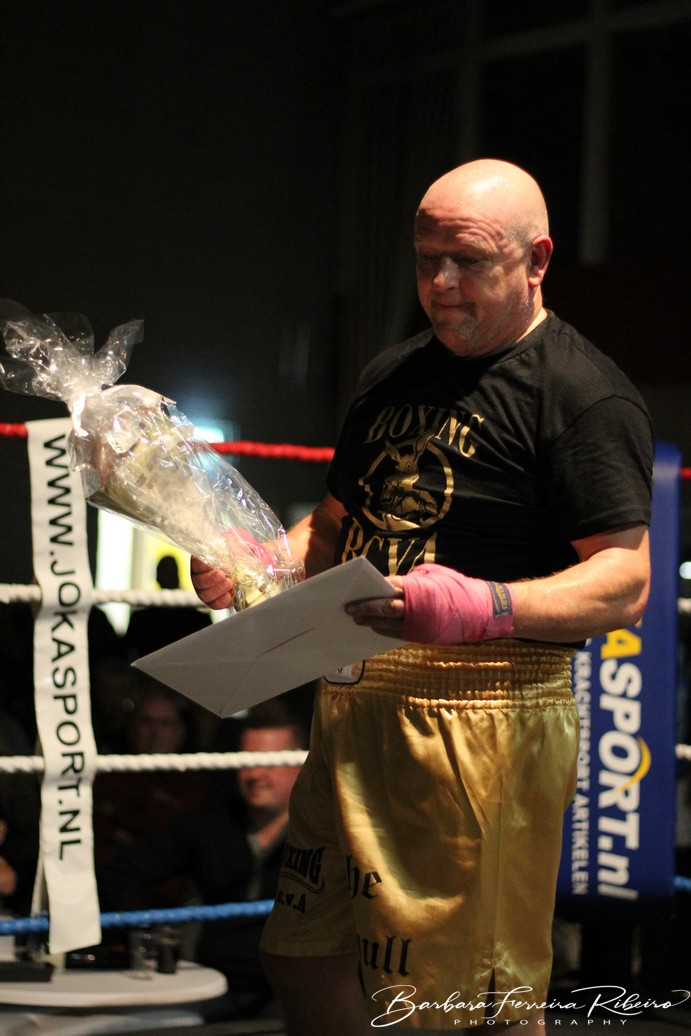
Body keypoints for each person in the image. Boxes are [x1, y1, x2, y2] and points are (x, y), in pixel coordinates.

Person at [191, 159, 653, 1034]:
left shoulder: (580, 392)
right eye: (425, 259)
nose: (439, 284)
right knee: (302, 954)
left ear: (536, 260)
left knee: (463, 998)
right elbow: (335, 527)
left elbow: (624, 582)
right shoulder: (389, 374)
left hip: (488, 717)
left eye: (467, 261)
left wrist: (482, 607)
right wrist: (254, 565)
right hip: (356, 698)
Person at [97, 701, 307, 1021]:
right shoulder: (211, 821)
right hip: (212, 986)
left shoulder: (325, 833)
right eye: (247, 761)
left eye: (270, 762)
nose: (256, 775)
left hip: (296, 991)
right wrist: (156, 927)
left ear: (301, 764)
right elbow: (119, 872)